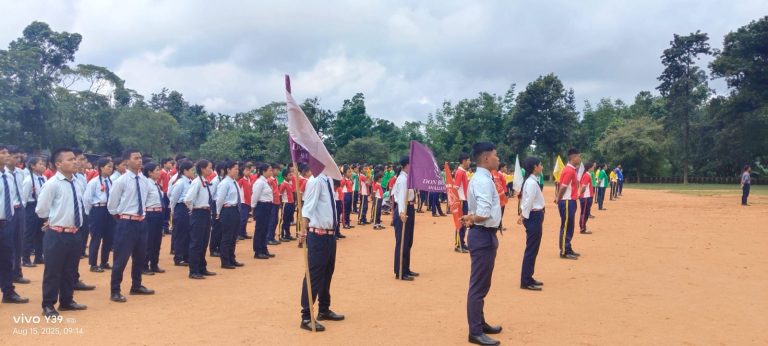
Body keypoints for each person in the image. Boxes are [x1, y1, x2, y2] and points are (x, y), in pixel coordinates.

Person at [35, 148, 87, 316]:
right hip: (57, 233)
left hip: (74, 232)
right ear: (58, 164)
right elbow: (41, 210)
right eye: (70, 159)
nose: (75, 162)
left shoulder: (77, 182)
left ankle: (67, 300)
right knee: (53, 270)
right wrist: (52, 219)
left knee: (70, 269)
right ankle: (48, 305)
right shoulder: (52, 184)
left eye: (75, 159)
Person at [461, 142, 503, 346]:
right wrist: (473, 217)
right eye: (495, 155)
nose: (498, 158)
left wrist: (471, 216)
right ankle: (475, 331)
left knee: (482, 284)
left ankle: (480, 322)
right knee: (478, 286)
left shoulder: (483, 178)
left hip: (485, 234)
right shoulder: (483, 181)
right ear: (486, 158)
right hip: (482, 234)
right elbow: (485, 212)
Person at [298, 171, 345, 332]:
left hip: (330, 235)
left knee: (327, 273)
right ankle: (306, 316)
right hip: (317, 234)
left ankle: (324, 309)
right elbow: (308, 207)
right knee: (314, 275)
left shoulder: (328, 180)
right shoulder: (316, 180)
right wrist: (303, 230)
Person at [107, 149, 155, 302]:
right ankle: (115, 290)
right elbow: (112, 205)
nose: (140, 161)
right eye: (136, 158)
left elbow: (146, 197)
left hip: (141, 221)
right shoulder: (121, 181)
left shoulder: (144, 180)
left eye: (140, 158)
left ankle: (136, 285)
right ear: (127, 161)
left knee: (140, 256)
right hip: (126, 222)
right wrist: (121, 217)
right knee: (121, 258)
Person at [183, 160, 217, 279]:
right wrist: (193, 210)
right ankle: (194, 270)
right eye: (209, 167)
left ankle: (202, 267)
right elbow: (188, 199)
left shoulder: (205, 181)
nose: (211, 170)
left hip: (205, 213)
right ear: (202, 169)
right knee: (196, 242)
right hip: (198, 213)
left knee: (203, 242)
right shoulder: (197, 182)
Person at [518, 156, 545, 291]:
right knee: (531, 249)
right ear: (535, 167)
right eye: (540, 164)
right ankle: (526, 280)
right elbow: (528, 201)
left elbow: (526, 200)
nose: (542, 167)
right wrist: (523, 216)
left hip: (534, 215)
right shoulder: (531, 183)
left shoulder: (531, 181)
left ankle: (529, 277)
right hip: (533, 216)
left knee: (533, 249)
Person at [83, 157, 115, 272]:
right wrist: (89, 214)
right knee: (96, 237)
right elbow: (87, 199)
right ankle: (93, 263)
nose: (110, 169)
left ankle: (104, 261)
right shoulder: (94, 182)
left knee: (108, 237)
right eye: (108, 167)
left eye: (112, 167)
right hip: (98, 210)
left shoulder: (111, 182)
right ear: (101, 168)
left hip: (109, 210)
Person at [5, 146, 29, 285]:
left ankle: (17, 272)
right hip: (9, 211)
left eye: (19, 157)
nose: (17, 159)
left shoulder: (21, 173)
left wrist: (23, 204)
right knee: (8, 243)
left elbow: (23, 190)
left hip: (20, 209)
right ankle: (8, 272)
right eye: (14, 156)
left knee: (19, 241)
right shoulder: (3, 174)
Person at [392, 156, 417, 281]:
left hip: (409, 208)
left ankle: (406, 268)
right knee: (402, 242)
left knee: (408, 241)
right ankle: (400, 271)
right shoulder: (402, 179)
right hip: (404, 209)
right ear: (406, 165)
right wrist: (402, 213)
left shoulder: (407, 178)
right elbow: (401, 197)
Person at [215, 160, 244, 269]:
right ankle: (225, 261)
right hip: (227, 210)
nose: (237, 171)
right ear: (228, 170)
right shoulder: (224, 183)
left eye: (237, 169)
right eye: (235, 169)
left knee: (233, 236)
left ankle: (232, 258)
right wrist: (218, 212)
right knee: (227, 236)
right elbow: (220, 199)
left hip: (235, 210)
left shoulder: (234, 182)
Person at [555, 149, 582, 260]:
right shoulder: (569, 171)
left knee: (570, 226)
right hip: (566, 201)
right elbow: (563, 187)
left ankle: (568, 248)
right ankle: (564, 251)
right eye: (579, 157)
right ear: (573, 157)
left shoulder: (572, 170)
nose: (580, 159)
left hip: (570, 201)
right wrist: (559, 198)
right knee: (566, 226)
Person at [21, 156, 47, 267]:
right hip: (31, 207)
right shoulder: (28, 180)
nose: (43, 166)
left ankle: (38, 256)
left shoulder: (44, 178)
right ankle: (26, 259)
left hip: (41, 206)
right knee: (29, 234)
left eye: (43, 164)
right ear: (32, 166)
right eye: (40, 164)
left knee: (40, 233)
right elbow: (24, 198)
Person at [142, 162, 166, 275]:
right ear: (150, 173)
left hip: (158, 214)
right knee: (149, 241)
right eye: (156, 170)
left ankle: (154, 264)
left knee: (157, 240)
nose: (159, 172)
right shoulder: (146, 184)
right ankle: (144, 265)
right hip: (150, 214)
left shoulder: (156, 184)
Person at [170, 160, 194, 266]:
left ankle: (186, 256)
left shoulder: (190, 181)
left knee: (188, 233)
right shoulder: (180, 182)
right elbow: (173, 198)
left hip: (188, 209)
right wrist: (173, 211)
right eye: (192, 170)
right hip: (181, 208)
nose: (193, 172)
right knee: (181, 234)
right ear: (185, 171)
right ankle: (178, 257)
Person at [251, 163, 275, 259]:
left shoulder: (265, 181)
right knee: (260, 229)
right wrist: (253, 208)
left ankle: (264, 249)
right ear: (263, 171)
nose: (271, 172)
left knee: (265, 229)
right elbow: (255, 196)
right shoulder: (259, 182)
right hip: (262, 206)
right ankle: (258, 251)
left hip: (267, 206)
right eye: (269, 170)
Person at [454, 153, 471, 253]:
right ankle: (458, 244)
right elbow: (455, 188)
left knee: (463, 223)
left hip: (464, 200)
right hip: (461, 200)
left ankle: (462, 243)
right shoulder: (460, 172)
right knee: (460, 223)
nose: (469, 162)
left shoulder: (463, 172)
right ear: (464, 161)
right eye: (468, 160)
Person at [279, 170, 297, 242]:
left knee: (289, 220)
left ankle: (287, 234)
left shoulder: (290, 183)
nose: (291, 176)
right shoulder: (283, 184)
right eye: (289, 175)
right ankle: (281, 235)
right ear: (285, 176)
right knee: (284, 219)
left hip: (291, 203)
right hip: (286, 203)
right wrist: (282, 204)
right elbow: (280, 194)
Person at [237, 163, 254, 240]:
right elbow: (237, 190)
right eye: (246, 170)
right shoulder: (241, 180)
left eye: (249, 170)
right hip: (243, 202)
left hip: (248, 201)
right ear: (242, 171)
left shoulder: (249, 180)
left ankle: (243, 233)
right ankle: (240, 233)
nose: (248, 172)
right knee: (243, 218)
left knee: (246, 218)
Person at [579, 161, 596, 235]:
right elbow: (583, 187)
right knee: (584, 213)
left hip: (587, 196)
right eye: (592, 166)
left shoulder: (587, 174)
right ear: (589, 168)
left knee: (585, 213)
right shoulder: (586, 175)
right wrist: (581, 194)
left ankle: (583, 227)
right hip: (586, 197)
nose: (593, 167)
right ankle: (582, 228)